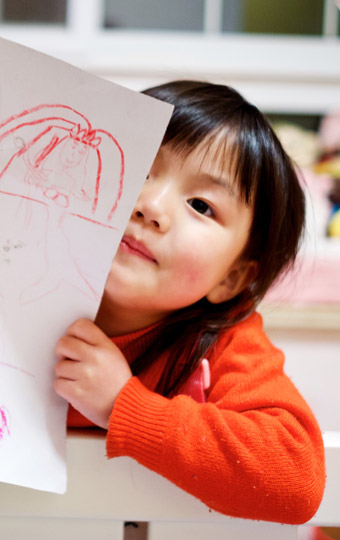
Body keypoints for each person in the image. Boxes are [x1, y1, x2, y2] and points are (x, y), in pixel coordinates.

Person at [54, 80, 325, 525]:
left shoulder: (222, 343)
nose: (150, 206)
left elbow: (297, 480)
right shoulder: (20, 285)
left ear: (233, 277)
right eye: (140, 169)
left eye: (201, 205)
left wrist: (123, 405)